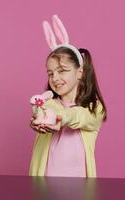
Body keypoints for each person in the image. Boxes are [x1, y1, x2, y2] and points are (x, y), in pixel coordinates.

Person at [29, 15, 107, 178]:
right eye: (50, 73)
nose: (55, 78)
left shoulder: (94, 108)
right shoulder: (49, 103)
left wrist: (61, 117)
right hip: (45, 186)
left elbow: (78, 115)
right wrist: (39, 116)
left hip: (80, 187)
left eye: (62, 70)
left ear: (80, 72)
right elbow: (46, 110)